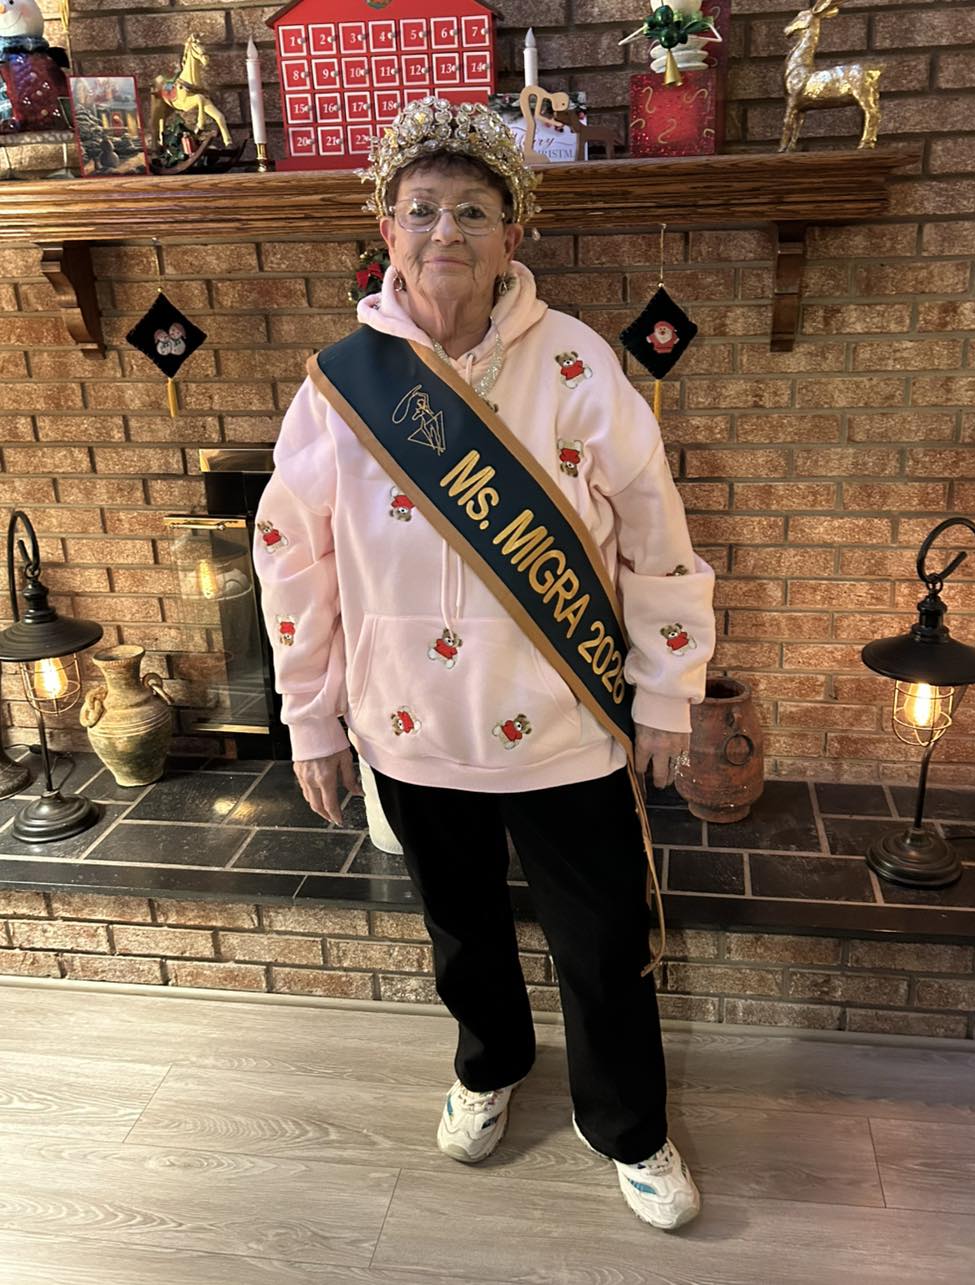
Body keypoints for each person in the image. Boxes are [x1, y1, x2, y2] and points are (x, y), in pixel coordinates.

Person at [253, 96, 715, 1232]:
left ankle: (630, 1126)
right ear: (386, 229)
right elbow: (291, 560)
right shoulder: (340, 385)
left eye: (472, 210)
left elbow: (655, 532)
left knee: (602, 941)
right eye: (422, 209)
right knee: (460, 931)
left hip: (564, 723)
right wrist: (310, 718)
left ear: (514, 233)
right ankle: (489, 1063)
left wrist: (665, 693)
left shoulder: (578, 364)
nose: (444, 231)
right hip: (409, 726)